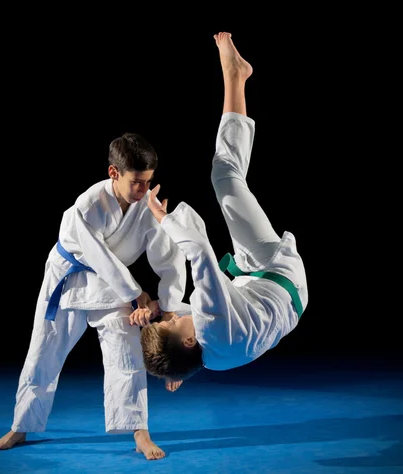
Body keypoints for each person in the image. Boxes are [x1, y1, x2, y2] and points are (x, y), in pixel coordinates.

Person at [0, 131, 187, 460]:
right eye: (136, 182)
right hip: (67, 281)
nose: (143, 190)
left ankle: (140, 432)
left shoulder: (146, 206)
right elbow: (98, 256)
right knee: (43, 352)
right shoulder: (89, 204)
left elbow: (168, 258)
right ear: (114, 172)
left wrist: (167, 306)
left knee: (127, 352)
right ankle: (22, 424)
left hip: (110, 285)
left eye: (148, 181)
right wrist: (136, 293)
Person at [137, 32, 308, 382]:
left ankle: (236, 76)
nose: (171, 316)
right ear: (188, 339)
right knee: (225, 176)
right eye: (171, 324)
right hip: (275, 271)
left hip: (281, 299)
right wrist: (164, 219)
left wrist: (175, 370)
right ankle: (235, 75)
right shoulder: (211, 322)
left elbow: (187, 330)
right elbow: (199, 250)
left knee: (227, 179)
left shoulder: (210, 358)